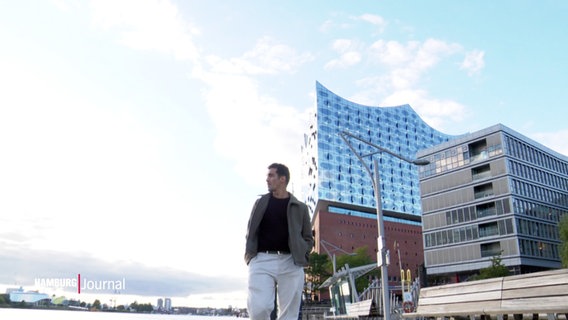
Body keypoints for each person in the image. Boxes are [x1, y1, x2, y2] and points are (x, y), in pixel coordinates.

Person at [245, 163, 314, 320]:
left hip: (291, 262)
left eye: (271, 175)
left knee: (289, 314)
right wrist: (250, 256)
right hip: (261, 260)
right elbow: (250, 231)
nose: (267, 179)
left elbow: (308, 237)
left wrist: (302, 252)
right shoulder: (260, 202)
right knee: (259, 308)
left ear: (282, 179)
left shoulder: (301, 208)